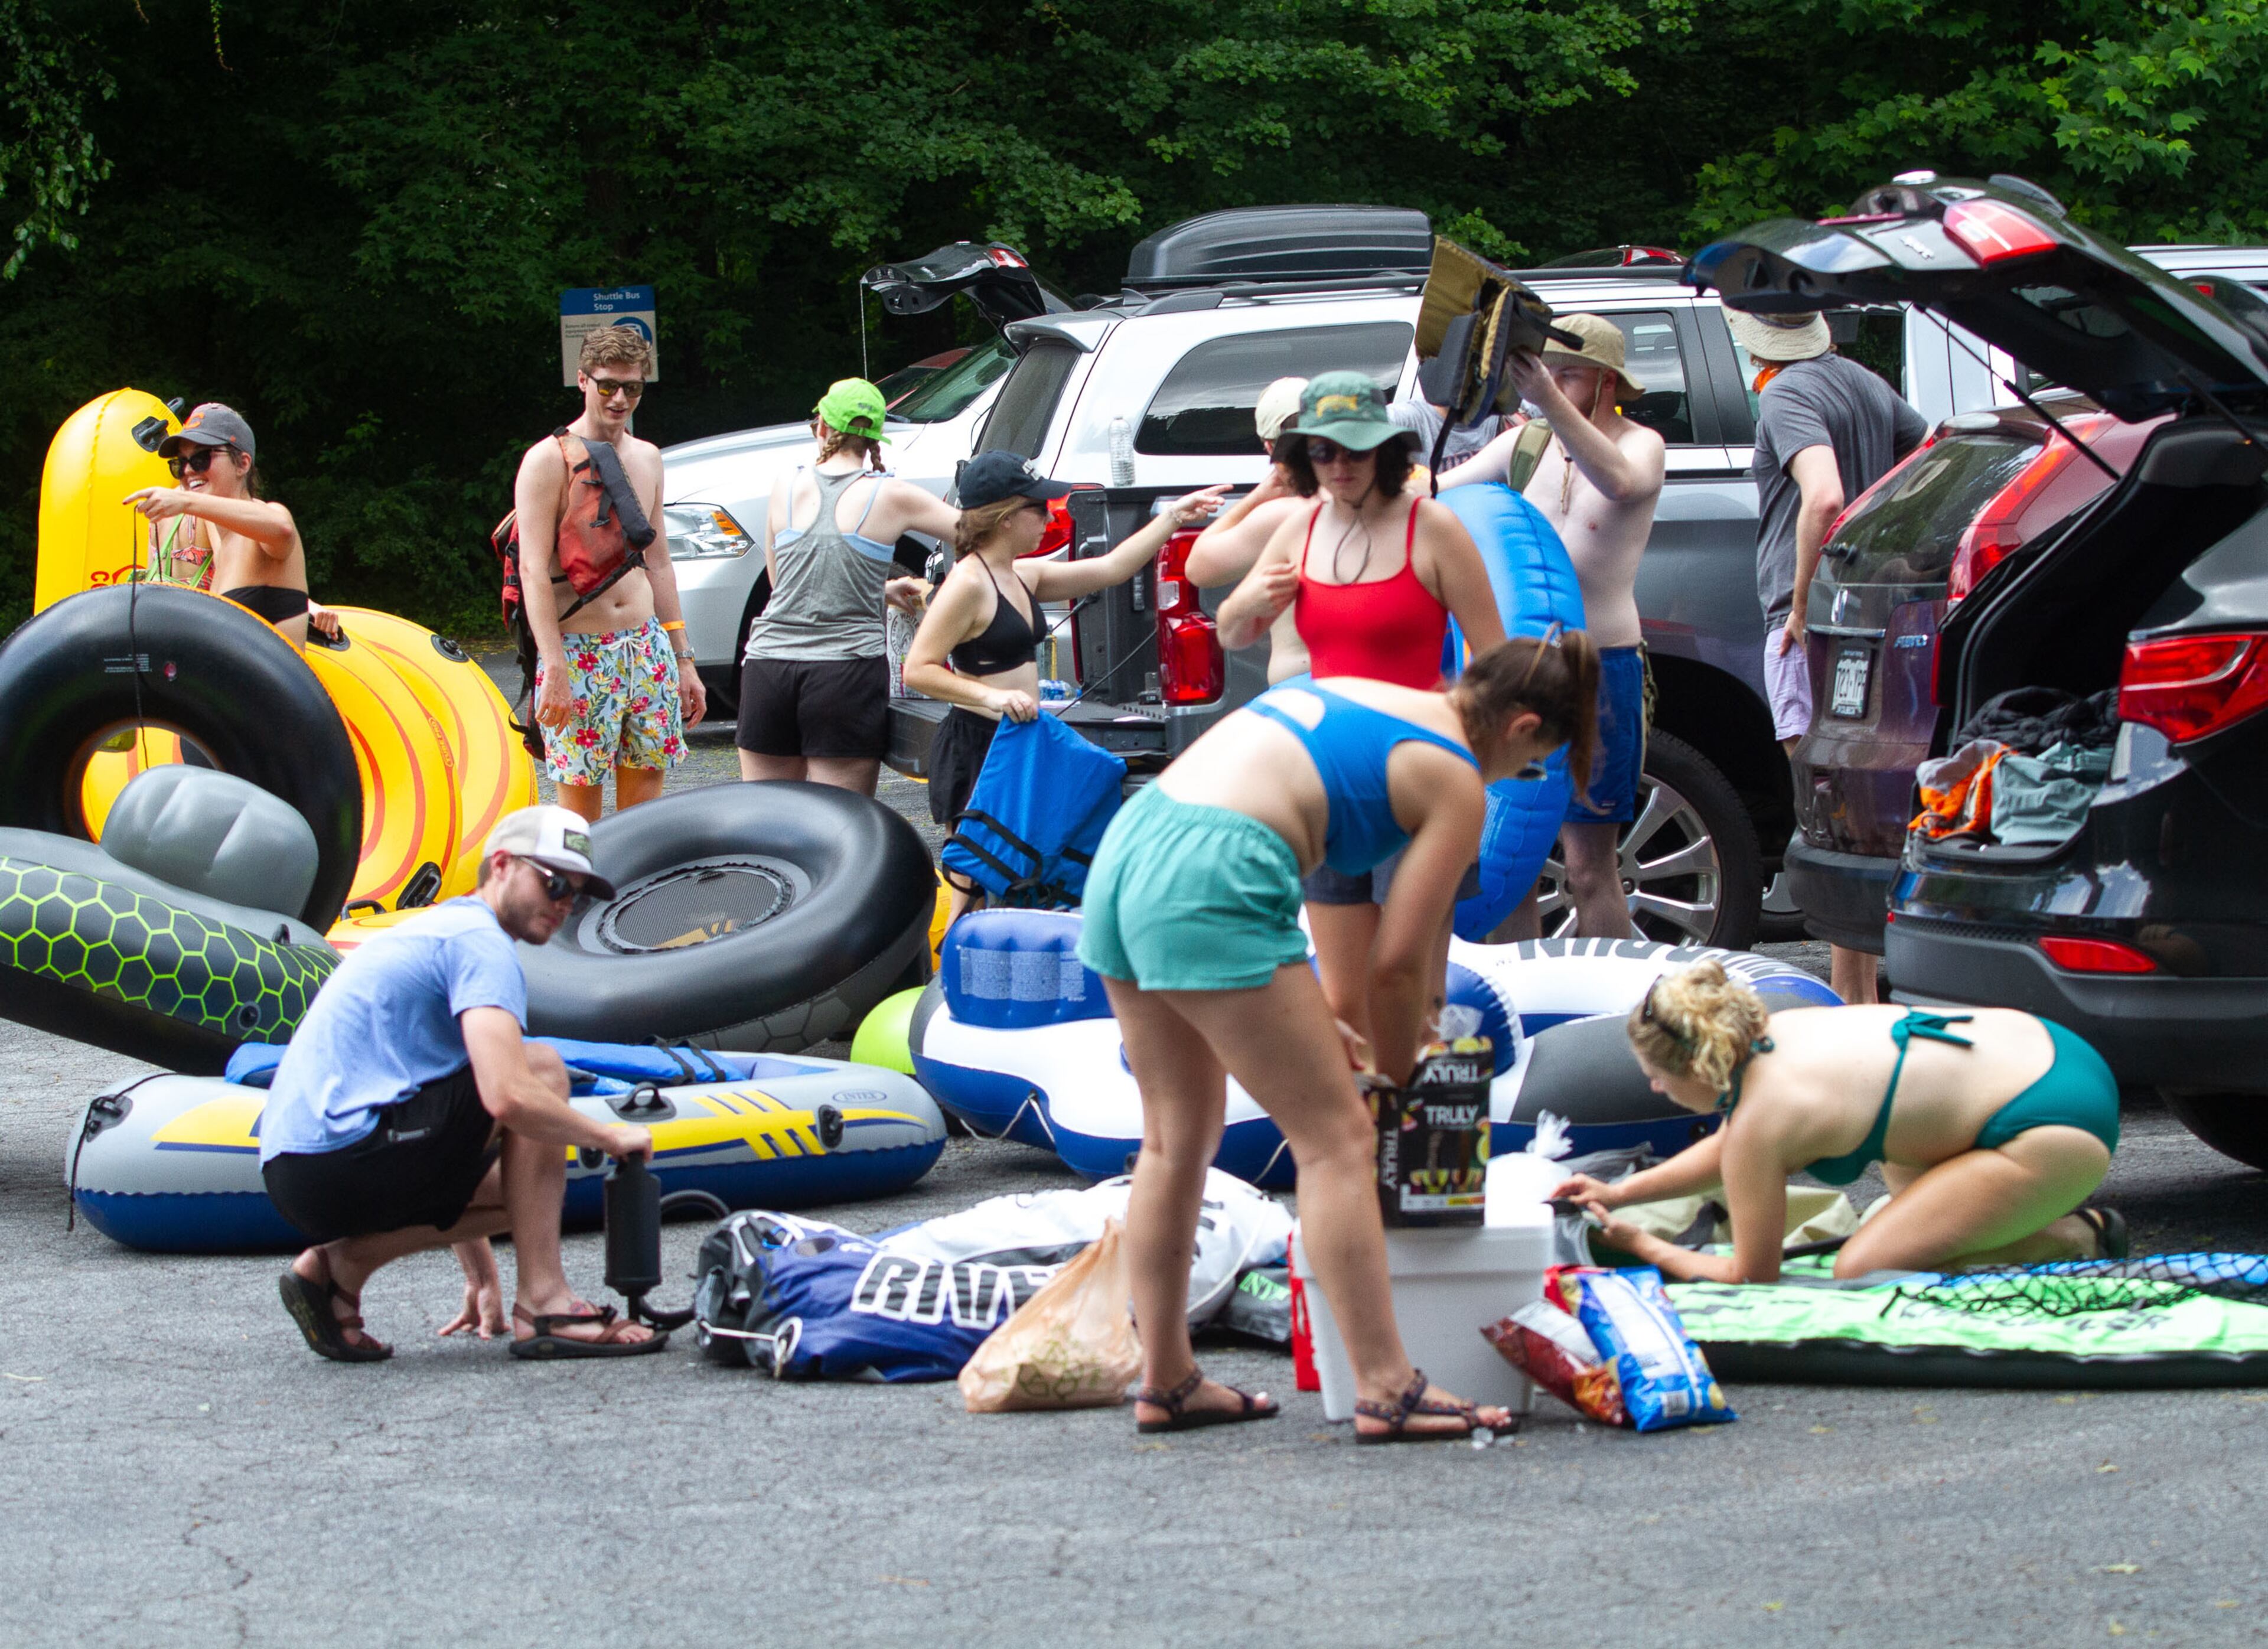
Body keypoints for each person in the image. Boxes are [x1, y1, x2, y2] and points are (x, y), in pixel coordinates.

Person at [1077, 636, 1598, 1439]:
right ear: (1524, 727)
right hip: (1216, 870)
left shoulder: (1379, 694)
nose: (1513, 779)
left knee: (1175, 1136)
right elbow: (1393, 969)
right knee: (1339, 1142)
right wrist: (1391, 1089)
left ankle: (1168, 1378)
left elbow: (1413, 957)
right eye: (1533, 763)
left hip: (1131, 849)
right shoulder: (1458, 777)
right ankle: (1388, 1385)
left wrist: (1352, 1033)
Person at [263, 805, 664, 1362]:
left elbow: (452, 1115)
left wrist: (481, 1274)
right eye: (553, 883)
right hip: (337, 1155)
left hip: (303, 1168)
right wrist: (609, 1136)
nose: (565, 903)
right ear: (500, 865)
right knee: (542, 1069)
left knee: (524, 1195)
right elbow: (507, 1095)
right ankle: (545, 1304)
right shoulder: (480, 944)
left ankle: (339, 1270)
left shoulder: (448, 927)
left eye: (578, 894)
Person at [1218, 371, 1508, 1047]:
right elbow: (1233, 632)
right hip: (1333, 784)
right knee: (1344, 999)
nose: (1339, 466)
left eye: (1354, 450)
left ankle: (1426, 1144)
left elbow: (1496, 661)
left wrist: (1477, 761)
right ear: (1301, 458)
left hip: (1423, 782)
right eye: (1323, 452)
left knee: (1411, 985)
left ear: (1386, 449)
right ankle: (1361, 1144)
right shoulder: (1299, 528)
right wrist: (1251, 597)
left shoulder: (1430, 527)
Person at [1552, 960, 2126, 1283]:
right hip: (2050, 1049)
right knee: (1900, 1196)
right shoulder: (1778, 1032)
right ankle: (2013, 1218)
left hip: (2054, 1126)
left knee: (1862, 1265)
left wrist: (1646, 1246)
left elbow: (1754, 1273)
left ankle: (2079, 1235)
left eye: (1658, 1074)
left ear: (1702, 1066)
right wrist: (1621, 1190)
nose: (1656, 1087)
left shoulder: (1765, 1119)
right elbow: (1729, 1148)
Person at [902, 452, 1227, 921]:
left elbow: (1112, 569)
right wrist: (992, 696)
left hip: (1022, 742)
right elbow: (919, 668)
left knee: (1026, 875)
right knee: (975, 885)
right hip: (980, 747)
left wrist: (1174, 517)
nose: (1051, 516)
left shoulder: (1020, 575)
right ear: (1006, 517)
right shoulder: (967, 584)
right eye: (1039, 508)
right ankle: (955, 980)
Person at [1441, 316, 1666, 940]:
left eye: (1569, 373)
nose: (1553, 383)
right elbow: (1435, 491)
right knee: (1507, 864)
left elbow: (1619, 481)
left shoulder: (1640, 443)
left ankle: (1609, 1014)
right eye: (1547, 371)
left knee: (1589, 866)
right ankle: (1525, 1006)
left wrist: (1548, 400)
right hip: (1525, 667)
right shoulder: (1525, 445)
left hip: (1602, 665)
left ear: (1607, 380)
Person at [1734, 308, 1927, 1005]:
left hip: (1814, 621)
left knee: (1827, 812)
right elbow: (1924, 454)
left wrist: (1799, 601)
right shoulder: (1866, 384)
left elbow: (1824, 496)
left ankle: (1855, 1003)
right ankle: (1863, 994)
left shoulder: (1787, 393)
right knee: (1855, 809)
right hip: (1867, 616)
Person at [513, 325, 704, 824]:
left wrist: (683, 658)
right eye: (607, 386)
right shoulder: (546, 461)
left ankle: (636, 902)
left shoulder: (648, 458)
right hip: (579, 653)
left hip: (645, 646)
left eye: (633, 388)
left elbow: (660, 561)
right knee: (582, 821)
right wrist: (552, 667)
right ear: (582, 381)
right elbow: (532, 570)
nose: (620, 399)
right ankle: (583, 903)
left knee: (644, 819)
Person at [738, 378, 959, 796]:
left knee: (763, 823)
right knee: (842, 827)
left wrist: (877, 589)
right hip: (844, 674)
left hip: (769, 669)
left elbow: (783, 586)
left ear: (821, 425)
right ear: (876, 438)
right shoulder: (892, 495)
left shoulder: (784, 486)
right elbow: (973, 534)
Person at [123, 403, 338, 649]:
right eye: (180, 464)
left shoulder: (269, 516)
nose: (188, 471)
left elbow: (282, 529)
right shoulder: (215, 536)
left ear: (243, 464)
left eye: (202, 459)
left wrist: (186, 501)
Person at [1185, 376, 1312, 683]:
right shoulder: (1396, 503)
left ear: (1270, 447)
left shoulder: (1281, 516)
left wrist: (1256, 497)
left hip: (1303, 693)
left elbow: (1198, 567)